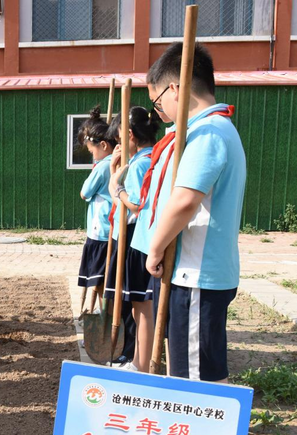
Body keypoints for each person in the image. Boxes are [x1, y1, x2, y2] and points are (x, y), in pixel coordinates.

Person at [145, 42, 246, 383]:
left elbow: (185, 201)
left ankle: (207, 421)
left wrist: (155, 248)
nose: (159, 111)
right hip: (197, 274)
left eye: (158, 102)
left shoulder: (208, 133)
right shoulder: (213, 129)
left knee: (195, 379)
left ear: (175, 89)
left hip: (195, 274)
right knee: (194, 370)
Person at [104, 107, 161, 372]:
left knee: (141, 307)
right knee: (140, 307)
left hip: (137, 240)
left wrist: (118, 189)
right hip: (141, 237)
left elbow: (137, 204)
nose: (118, 144)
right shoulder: (154, 157)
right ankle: (139, 361)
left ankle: (141, 364)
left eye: (118, 138)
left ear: (129, 135)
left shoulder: (140, 164)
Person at [77, 106, 117, 299]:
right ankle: (105, 308)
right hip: (112, 227)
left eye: (91, 150)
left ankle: (105, 310)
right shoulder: (117, 161)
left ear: (103, 145)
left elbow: (84, 193)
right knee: (106, 274)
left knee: (98, 277)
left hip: (100, 228)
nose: (91, 155)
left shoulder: (102, 167)